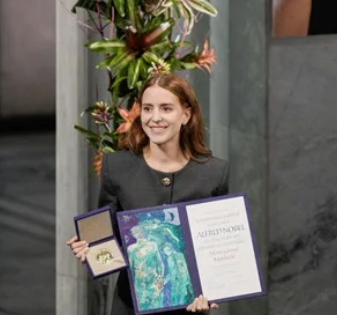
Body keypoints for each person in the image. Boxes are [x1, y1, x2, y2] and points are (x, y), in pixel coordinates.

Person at [67, 73, 230, 314]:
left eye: (166, 108)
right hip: (130, 307)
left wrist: (213, 293)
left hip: (189, 309)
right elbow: (104, 236)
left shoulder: (214, 173)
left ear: (186, 114)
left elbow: (219, 249)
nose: (155, 118)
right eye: (147, 108)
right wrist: (90, 249)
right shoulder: (117, 167)